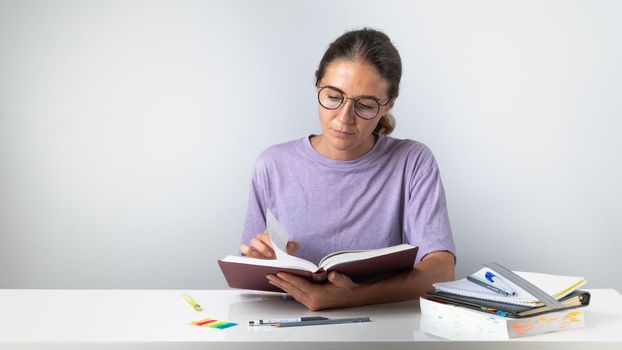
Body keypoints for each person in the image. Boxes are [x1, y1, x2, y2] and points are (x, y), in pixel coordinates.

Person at [239, 28, 456, 311]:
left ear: (389, 103)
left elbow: (441, 272)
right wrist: (261, 260)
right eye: (333, 97)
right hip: (291, 326)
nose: (344, 119)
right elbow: (247, 277)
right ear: (318, 85)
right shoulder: (273, 164)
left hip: (382, 328)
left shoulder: (412, 161)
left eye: (365, 105)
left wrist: (353, 296)